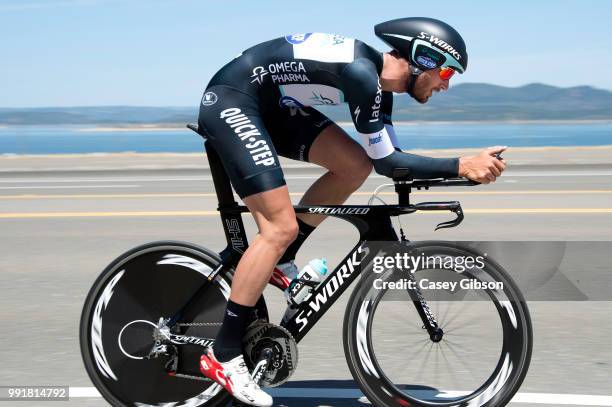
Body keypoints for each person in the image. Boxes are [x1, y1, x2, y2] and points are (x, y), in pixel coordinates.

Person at [197, 17, 506, 406]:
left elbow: (387, 162)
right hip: (233, 100)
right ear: (420, 59)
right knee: (278, 228)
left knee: (354, 166)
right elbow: (391, 164)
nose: (447, 83)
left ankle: (283, 260)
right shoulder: (362, 74)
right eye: (446, 70)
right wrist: (460, 164)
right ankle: (223, 354)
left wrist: (460, 175)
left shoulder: (380, 90)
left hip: (272, 106)